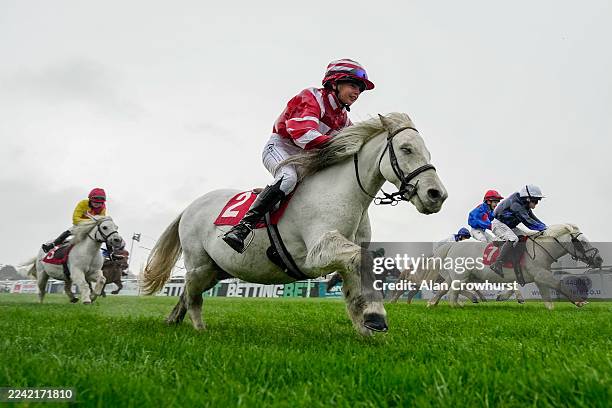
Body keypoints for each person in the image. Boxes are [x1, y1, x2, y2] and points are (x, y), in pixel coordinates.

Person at [222, 59, 375, 253]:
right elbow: (304, 135)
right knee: (288, 177)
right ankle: (242, 228)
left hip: (305, 157)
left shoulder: (343, 117)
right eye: (353, 85)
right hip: (281, 148)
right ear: (334, 83)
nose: (357, 93)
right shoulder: (311, 96)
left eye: (360, 90)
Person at [490, 185, 547, 276]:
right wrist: (543, 229)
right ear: (528, 198)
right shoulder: (516, 205)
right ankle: (497, 264)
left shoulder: (523, 203)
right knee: (513, 239)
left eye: (538, 201)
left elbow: (533, 218)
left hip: (509, 226)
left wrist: (545, 227)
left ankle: (515, 261)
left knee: (522, 238)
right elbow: (527, 221)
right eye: (535, 201)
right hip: (499, 224)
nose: (537, 203)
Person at [41, 188, 108, 252]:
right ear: (90, 199)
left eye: (99, 203)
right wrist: (91, 222)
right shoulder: (83, 203)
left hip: (93, 227)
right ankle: (52, 245)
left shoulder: (103, 207)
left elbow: (101, 221)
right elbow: (75, 219)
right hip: (80, 226)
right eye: (95, 202)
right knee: (67, 232)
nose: (97, 204)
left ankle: (110, 252)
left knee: (106, 232)